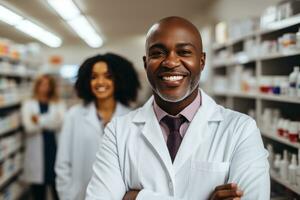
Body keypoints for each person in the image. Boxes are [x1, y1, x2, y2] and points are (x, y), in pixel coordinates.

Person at [85, 17, 270, 200]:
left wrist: (138, 197)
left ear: (202, 61)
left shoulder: (240, 129)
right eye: (158, 53)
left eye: (184, 52)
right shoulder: (117, 132)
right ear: (145, 62)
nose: (171, 62)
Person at [55, 53, 140, 200]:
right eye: (94, 77)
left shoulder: (131, 118)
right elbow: (63, 163)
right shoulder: (74, 116)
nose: (100, 82)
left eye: (108, 76)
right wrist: (67, 195)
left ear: (119, 80)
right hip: (79, 196)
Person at [21, 74, 66, 200]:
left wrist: (39, 120)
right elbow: (28, 127)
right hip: (37, 151)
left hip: (54, 149)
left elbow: (62, 123)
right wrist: (51, 121)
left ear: (51, 86)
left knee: (58, 191)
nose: (44, 87)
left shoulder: (59, 103)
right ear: (37, 86)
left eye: (47, 84)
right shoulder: (28, 104)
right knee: (38, 193)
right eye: (41, 84)